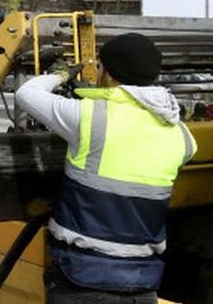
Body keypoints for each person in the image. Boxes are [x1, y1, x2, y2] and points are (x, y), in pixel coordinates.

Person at [16, 33, 196, 304]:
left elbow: (26, 94)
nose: (97, 73)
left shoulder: (89, 117)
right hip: (142, 284)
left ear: (110, 75)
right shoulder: (182, 136)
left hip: (83, 279)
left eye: (100, 67)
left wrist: (61, 75)